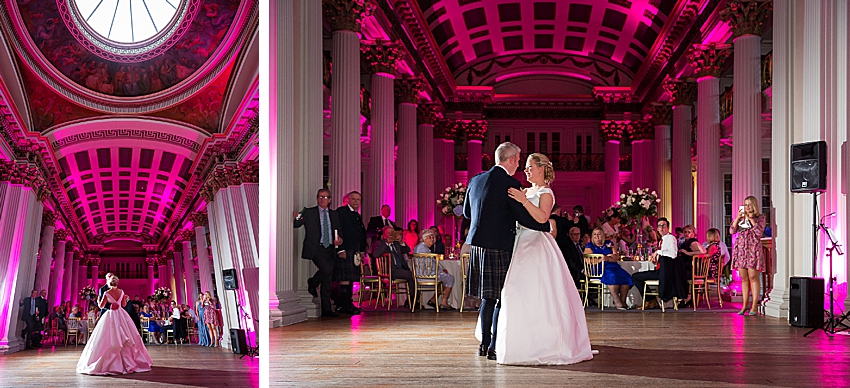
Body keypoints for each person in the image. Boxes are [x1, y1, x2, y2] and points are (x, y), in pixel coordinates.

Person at [494, 152, 594, 365]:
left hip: (537, 243)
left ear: (542, 169)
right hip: (519, 242)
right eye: (526, 167)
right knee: (516, 291)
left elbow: (542, 218)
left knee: (540, 291)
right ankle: (519, 341)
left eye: (530, 166)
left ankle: (547, 341)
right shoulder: (526, 190)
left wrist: (523, 201)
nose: (526, 170)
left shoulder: (546, 192)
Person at [463, 142, 552, 362]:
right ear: (511, 159)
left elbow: (466, 212)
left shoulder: (476, 179)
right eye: (519, 161)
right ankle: (493, 347)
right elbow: (522, 217)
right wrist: (546, 226)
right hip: (499, 247)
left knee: (487, 298)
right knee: (500, 298)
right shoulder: (509, 183)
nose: (520, 165)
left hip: (477, 246)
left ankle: (484, 344)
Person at [77, 275, 152, 375]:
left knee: (108, 336)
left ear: (109, 282)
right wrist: (124, 299)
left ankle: (112, 363)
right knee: (125, 335)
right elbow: (124, 305)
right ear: (117, 283)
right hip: (121, 314)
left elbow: (101, 306)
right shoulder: (121, 292)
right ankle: (128, 362)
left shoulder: (107, 293)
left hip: (111, 315)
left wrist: (99, 300)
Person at [293, 188, 344, 317]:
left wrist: (340, 240)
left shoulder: (334, 214)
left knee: (327, 279)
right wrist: (297, 217)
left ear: (330, 200)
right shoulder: (309, 212)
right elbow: (297, 224)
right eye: (321, 197)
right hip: (316, 248)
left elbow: (338, 230)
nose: (323, 199)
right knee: (327, 269)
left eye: (326, 197)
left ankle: (326, 310)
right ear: (317, 199)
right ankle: (313, 282)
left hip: (330, 248)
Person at [730, 195, 767, 316]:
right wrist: (738, 218)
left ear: (754, 206)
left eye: (750, 204)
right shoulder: (741, 219)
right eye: (746, 205)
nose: (747, 207)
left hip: (753, 249)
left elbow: (758, 232)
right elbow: (732, 230)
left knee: (753, 277)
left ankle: (754, 305)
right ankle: (744, 305)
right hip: (741, 249)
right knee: (744, 278)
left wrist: (750, 219)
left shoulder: (760, 218)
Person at [334, 191, 367, 315]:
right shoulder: (341, 212)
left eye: (358, 199)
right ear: (348, 199)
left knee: (351, 278)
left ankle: (348, 303)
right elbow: (337, 230)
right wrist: (341, 249)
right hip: (346, 249)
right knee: (345, 278)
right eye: (353, 199)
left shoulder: (356, 215)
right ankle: (342, 305)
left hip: (355, 250)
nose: (356, 201)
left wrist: (362, 250)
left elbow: (360, 233)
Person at [633, 218, 677, 309]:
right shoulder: (662, 240)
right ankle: (651, 300)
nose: (661, 228)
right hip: (660, 270)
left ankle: (650, 300)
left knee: (636, 277)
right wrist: (656, 260)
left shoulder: (670, 238)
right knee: (636, 276)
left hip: (665, 273)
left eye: (663, 225)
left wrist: (658, 252)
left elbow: (673, 254)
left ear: (668, 227)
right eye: (659, 226)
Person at [584, 228, 633, 310]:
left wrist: (607, 258)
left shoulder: (609, 243)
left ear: (603, 235)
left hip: (613, 265)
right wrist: (602, 259)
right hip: (599, 268)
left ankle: (623, 301)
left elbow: (616, 256)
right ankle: (617, 300)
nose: (597, 236)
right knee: (612, 276)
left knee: (626, 276)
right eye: (594, 234)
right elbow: (589, 260)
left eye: (599, 234)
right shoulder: (590, 246)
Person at [371, 226, 414, 305]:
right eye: (390, 233)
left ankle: (411, 299)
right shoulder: (380, 243)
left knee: (413, 275)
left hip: (400, 269)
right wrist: (387, 243)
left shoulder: (396, 243)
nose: (392, 235)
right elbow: (376, 254)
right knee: (412, 275)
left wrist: (401, 242)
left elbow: (407, 250)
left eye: (393, 233)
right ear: (384, 235)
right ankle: (412, 300)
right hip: (389, 270)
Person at [412, 228, 455, 310]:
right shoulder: (423, 249)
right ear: (424, 239)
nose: (432, 239)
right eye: (429, 237)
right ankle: (444, 301)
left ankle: (433, 300)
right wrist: (440, 271)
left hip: (420, 275)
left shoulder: (419, 247)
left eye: (433, 237)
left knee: (443, 278)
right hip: (427, 275)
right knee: (450, 278)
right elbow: (429, 266)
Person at [675, 225, 705, 308]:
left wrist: (687, 253)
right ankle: (683, 297)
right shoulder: (686, 242)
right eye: (685, 232)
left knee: (677, 275)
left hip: (691, 269)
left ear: (694, 233)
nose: (687, 234)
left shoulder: (692, 242)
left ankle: (684, 297)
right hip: (686, 267)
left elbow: (703, 251)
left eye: (689, 232)